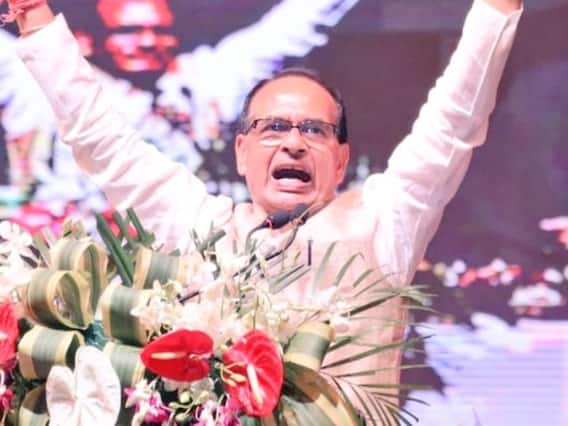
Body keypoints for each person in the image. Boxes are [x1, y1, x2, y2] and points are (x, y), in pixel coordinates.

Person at [10, 0, 522, 414]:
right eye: (273, 127)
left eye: (315, 130)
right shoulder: (202, 225)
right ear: (241, 152)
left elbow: (455, 120)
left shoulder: (383, 222)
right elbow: (100, 138)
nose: (294, 143)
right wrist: (32, 12)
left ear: (341, 159)